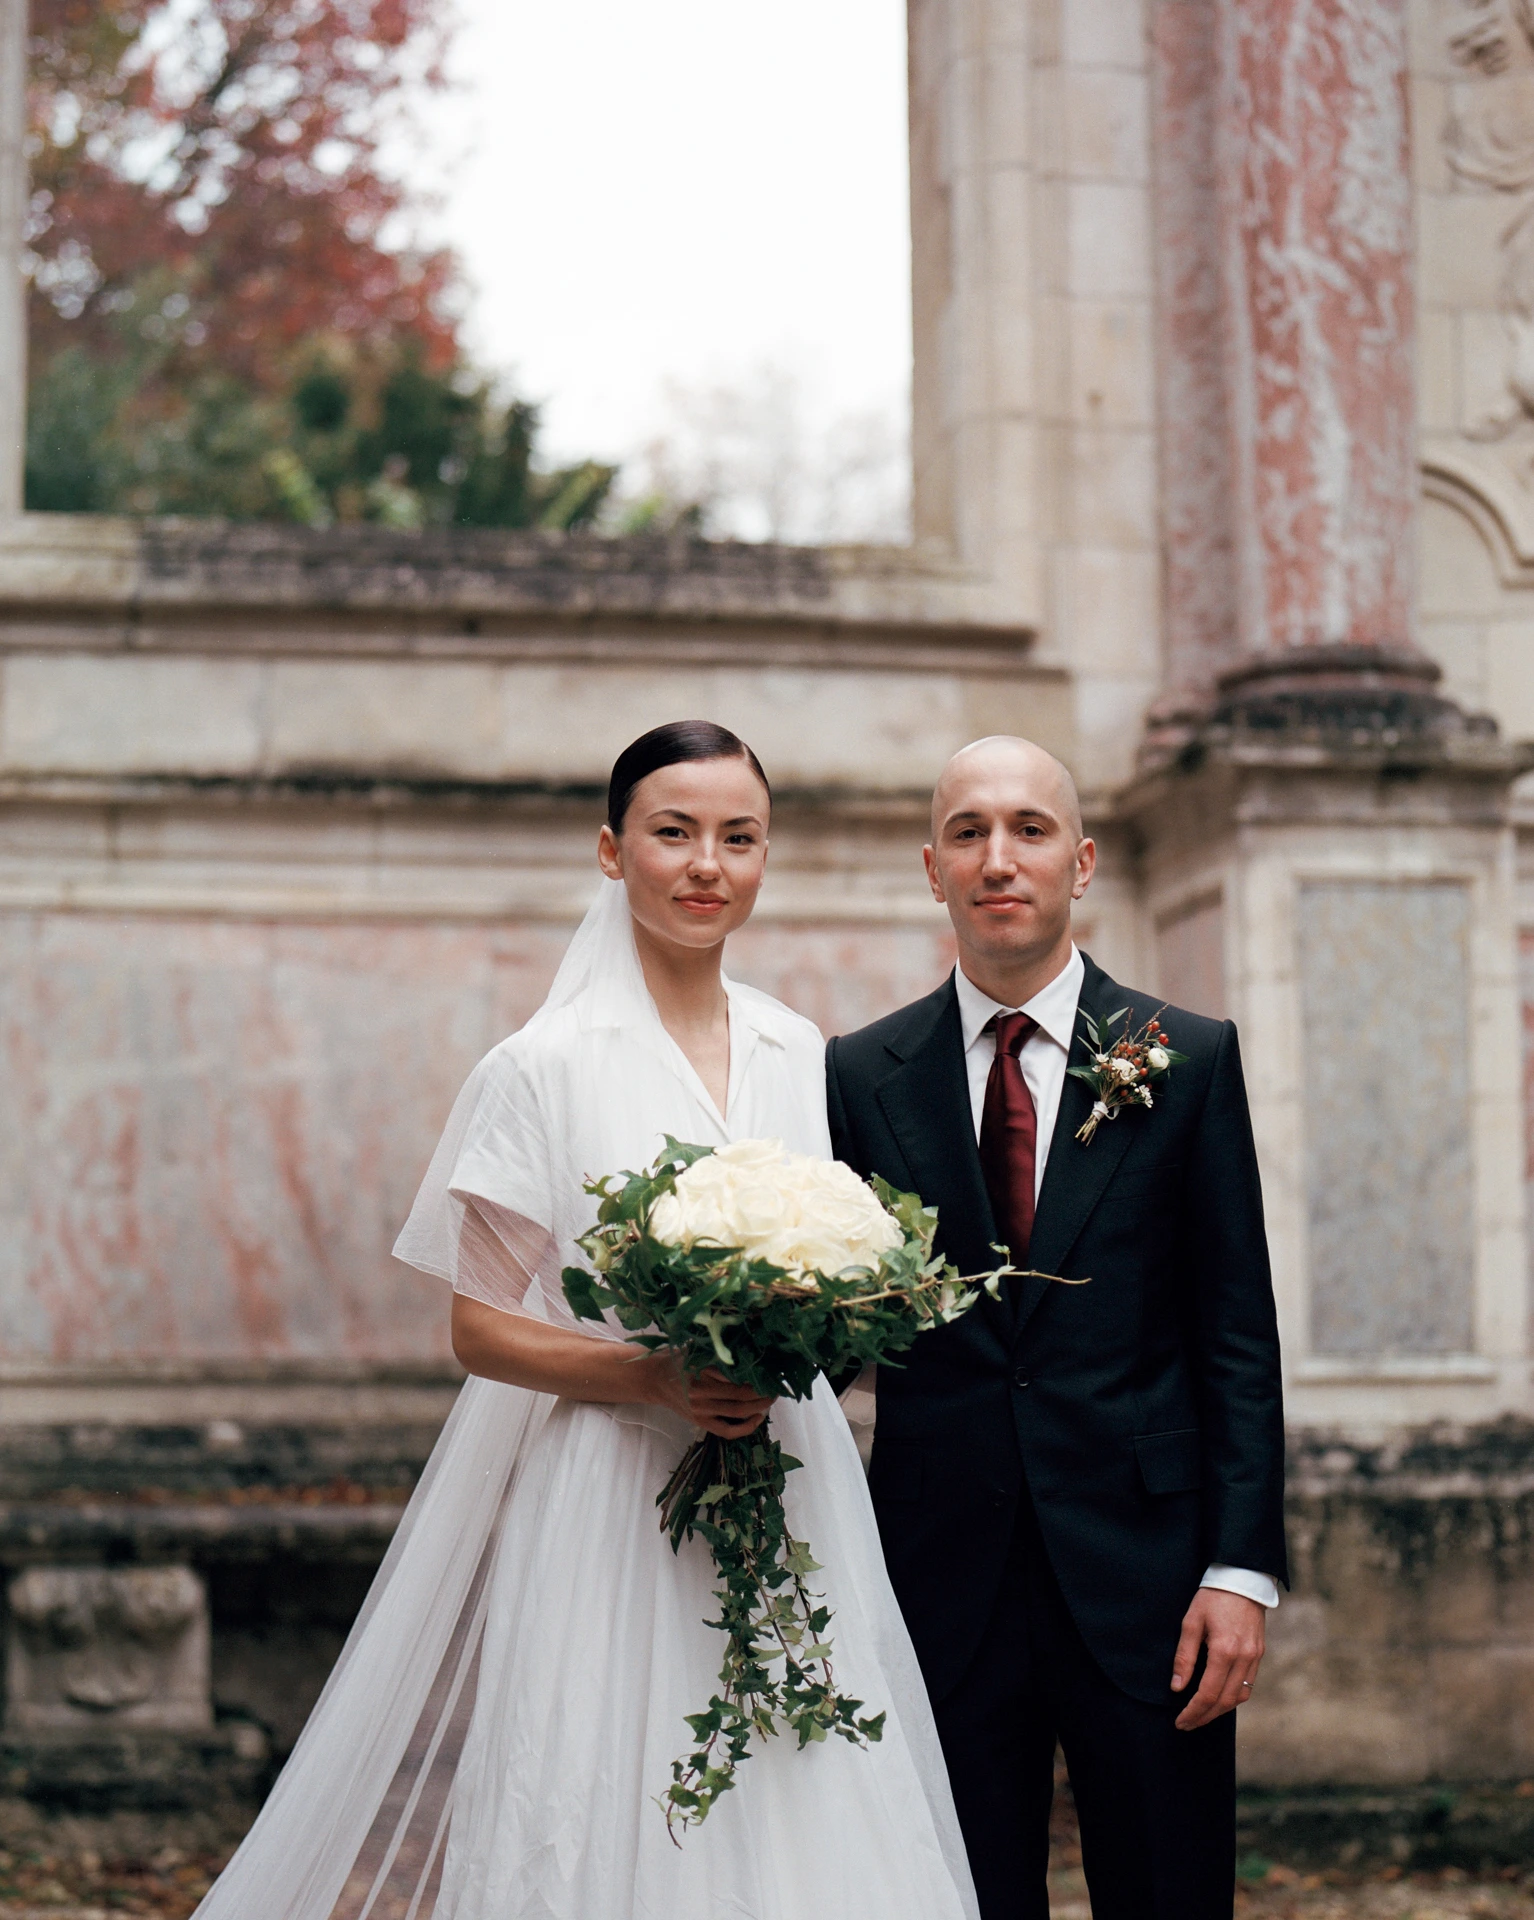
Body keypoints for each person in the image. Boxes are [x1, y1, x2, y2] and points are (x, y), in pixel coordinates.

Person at [193, 721, 978, 1920]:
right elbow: (479, 1328)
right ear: (612, 853)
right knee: (613, 1786)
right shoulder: (538, 1067)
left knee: (808, 1776)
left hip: (787, 1469)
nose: (705, 863)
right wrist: (653, 1376)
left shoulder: (797, 1051)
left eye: (738, 837)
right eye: (673, 833)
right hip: (610, 1492)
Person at [825, 735, 1288, 1920]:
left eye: (1028, 829)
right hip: (939, 1575)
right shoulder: (859, 1075)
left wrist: (1240, 1570)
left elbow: (1234, 1334)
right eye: (968, 831)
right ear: (931, 867)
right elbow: (836, 1331)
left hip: (1149, 1575)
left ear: (1079, 863)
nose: (998, 857)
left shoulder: (1184, 1058)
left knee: (1167, 1890)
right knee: (963, 1896)